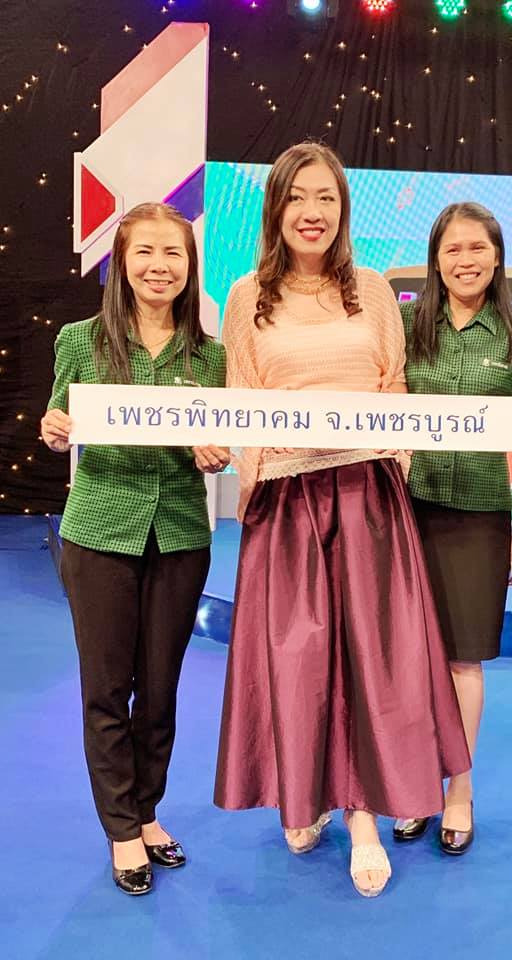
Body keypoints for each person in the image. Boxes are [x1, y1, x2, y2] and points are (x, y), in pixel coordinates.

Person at [214, 142, 470, 898]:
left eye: (325, 197)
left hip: (366, 499)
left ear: (343, 209)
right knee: (298, 661)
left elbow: (394, 388)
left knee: (368, 661)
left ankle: (363, 820)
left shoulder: (373, 290)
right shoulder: (245, 297)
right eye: (297, 197)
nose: (312, 212)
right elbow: (240, 398)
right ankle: (305, 797)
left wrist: (392, 463)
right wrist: (252, 473)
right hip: (287, 503)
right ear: (276, 209)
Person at [41, 202, 228, 896]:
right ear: (121, 262)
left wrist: (218, 452)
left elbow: (222, 435)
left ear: (189, 265)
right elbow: (59, 419)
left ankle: (147, 812)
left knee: (160, 688)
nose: (159, 266)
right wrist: (54, 429)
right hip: (99, 533)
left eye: (173, 253)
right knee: (106, 688)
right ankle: (121, 828)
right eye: (144, 251)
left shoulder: (211, 356)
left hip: (179, 533)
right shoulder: (79, 341)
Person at [394, 203, 512, 854]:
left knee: (463, 658)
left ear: (497, 255)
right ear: (436, 259)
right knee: (407, 656)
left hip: (481, 515)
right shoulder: (405, 325)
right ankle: (414, 786)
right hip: (406, 511)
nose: (465, 260)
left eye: (477, 248)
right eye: (452, 249)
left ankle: (458, 789)